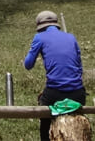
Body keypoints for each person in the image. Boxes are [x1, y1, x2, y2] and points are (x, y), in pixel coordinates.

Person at [23, 10, 86, 141]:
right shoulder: (71, 37)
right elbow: (79, 67)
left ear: (40, 27)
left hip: (55, 92)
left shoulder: (39, 37)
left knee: (44, 121)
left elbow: (28, 64)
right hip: (78, 93)